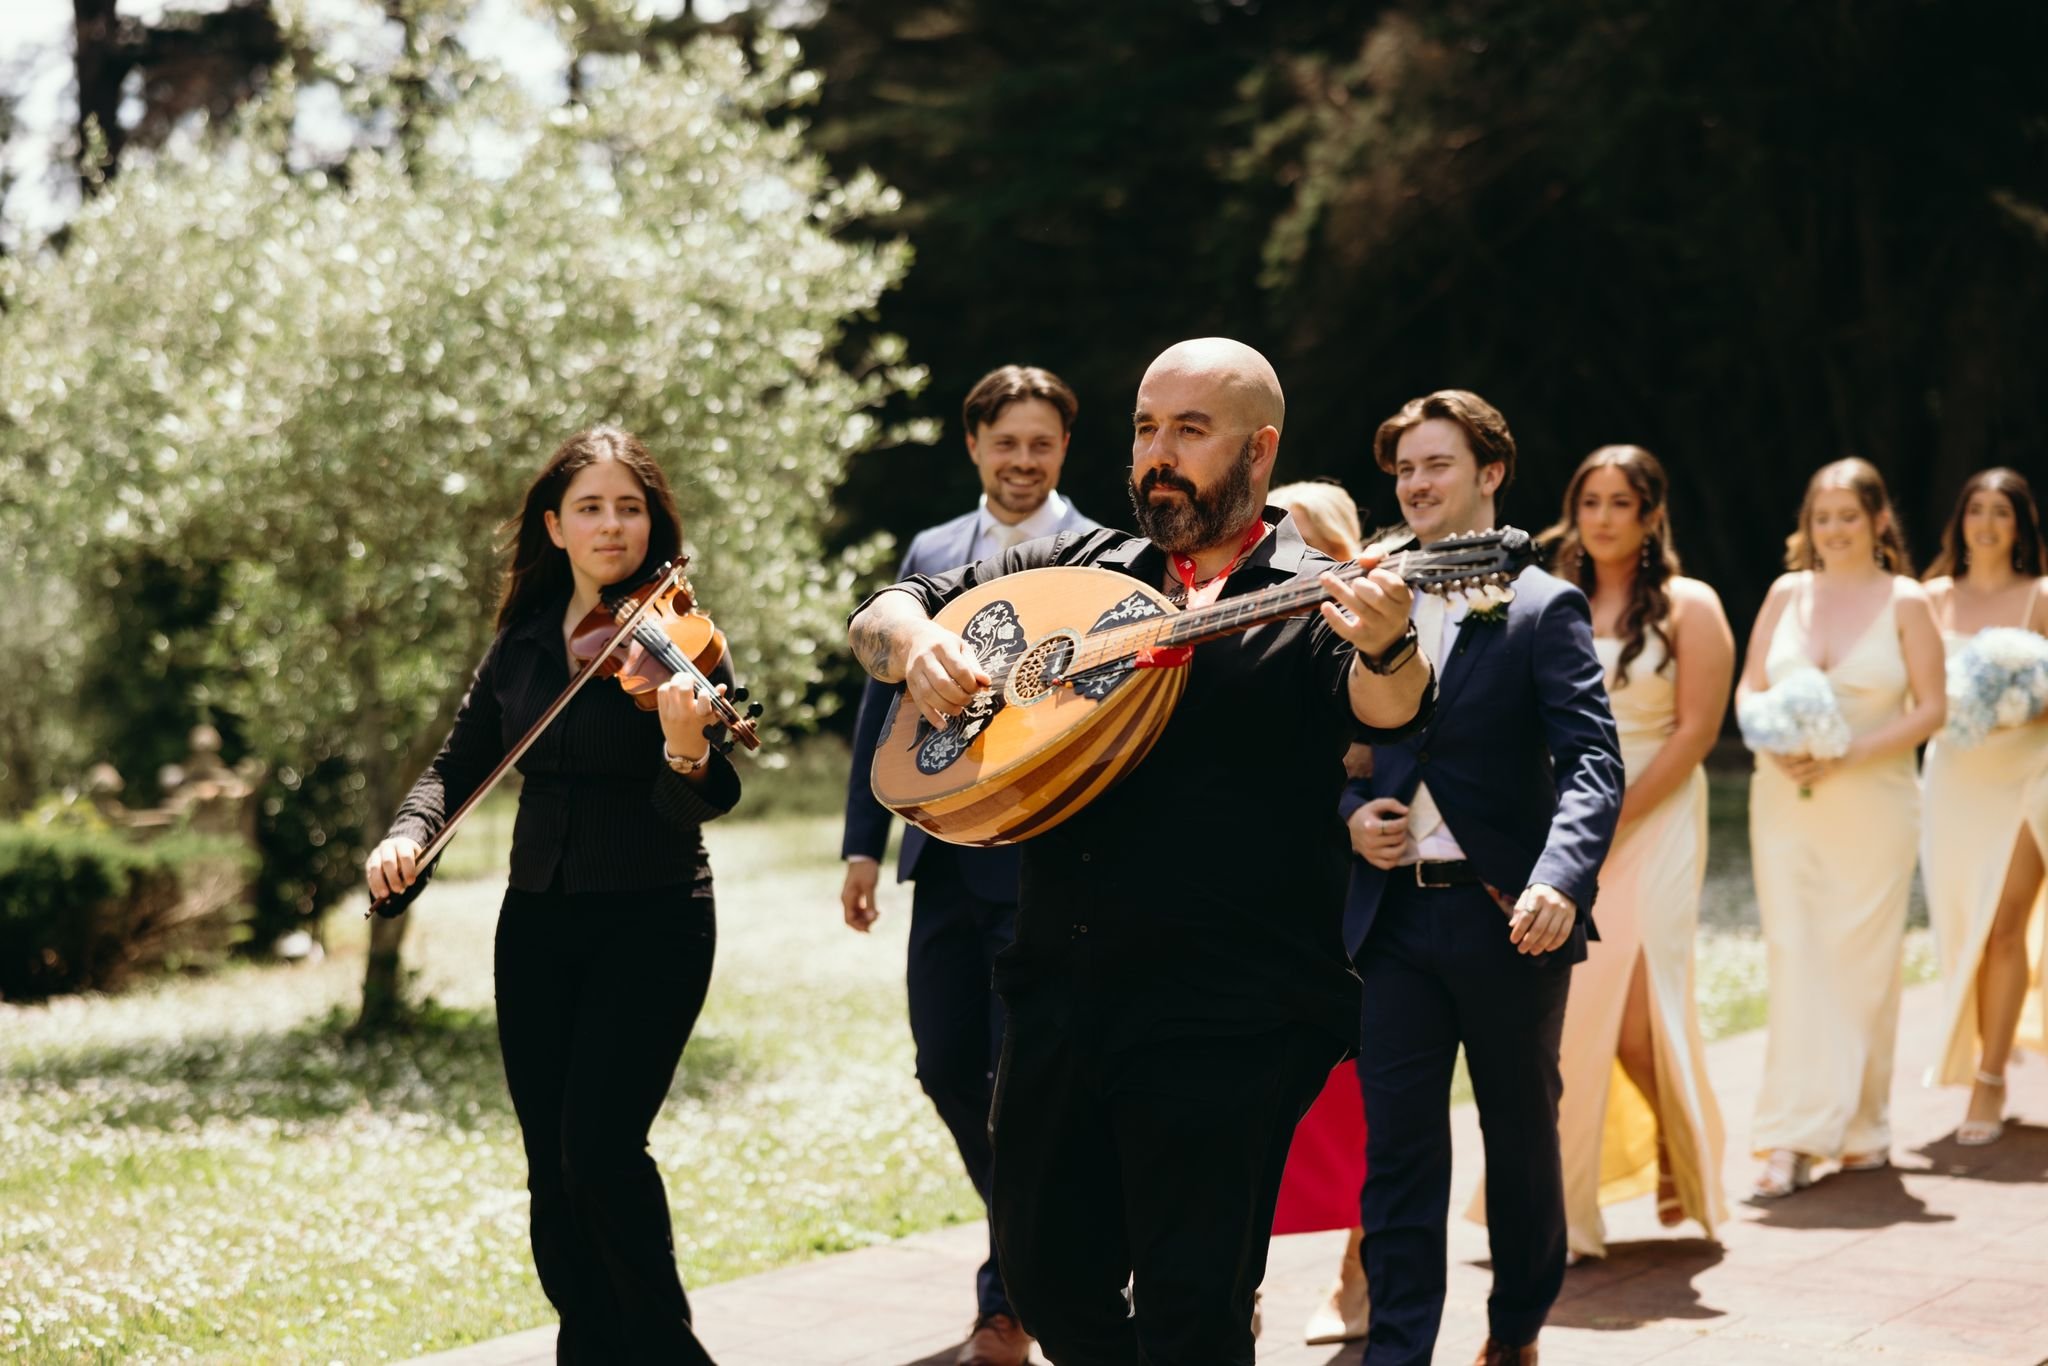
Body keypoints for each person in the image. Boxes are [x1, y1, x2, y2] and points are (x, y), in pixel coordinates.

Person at [846, 338, 1433, 1365]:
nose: (1156, 454)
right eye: (1145, 429)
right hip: (1060, 991)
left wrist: (1388, 640)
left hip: (1230, 1008)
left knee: (1192, 1303)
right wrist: (911, 636)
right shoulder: (1079, 572)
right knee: (1042, 1276)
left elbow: (1386, 702)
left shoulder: (1310, 593)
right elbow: (886, 608)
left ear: (1258, 450)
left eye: (1188, 432)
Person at [364, 427, 739, 1365]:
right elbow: (457, 766)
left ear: (653, 523)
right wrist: (411, 831)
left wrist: (686, 747)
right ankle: (588, 1344)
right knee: (549, 1166)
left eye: (630, 506)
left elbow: (712, 794)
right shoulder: (523, 647)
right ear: (555, 526)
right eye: (591, 508)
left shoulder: (680, 638)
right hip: (538, 921)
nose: (613, 525)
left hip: (654, 916)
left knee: (602, 1152)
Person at [1342, 389, 1623, 1366]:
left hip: (1509, 917)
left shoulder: (1543, 606)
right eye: (1403, 469)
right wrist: (1351, 818)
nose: (1415, 484)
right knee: (1398, 1154)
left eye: (1436, 465)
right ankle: (1397, 1348)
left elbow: (1591, 760)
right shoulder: (1367, 595)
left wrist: (1559, 879)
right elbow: (1328, 748)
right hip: (1393, 926)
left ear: (1489, 473)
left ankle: (1513, 1331)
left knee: (1518, 1141)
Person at [840, 363, 1096, 1366]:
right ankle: (1058, 1244)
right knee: (946, 1064)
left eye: (1041, 444)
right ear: (974, 445)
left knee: (1022, 1081)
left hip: (1047, 861)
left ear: (1063, 450)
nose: (1023, 460)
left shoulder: (1098, 552)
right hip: (941, 857)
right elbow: (882, 705)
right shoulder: (931, 553)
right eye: (1006, 442)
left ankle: (1008, 1301)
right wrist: (863, 841)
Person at [1516, 445, 1734, 1260]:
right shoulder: (1549, 599)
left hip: (1661, 814)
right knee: (1575, 1013)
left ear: (1650, 514)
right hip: (1566, 821)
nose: (1602, 517)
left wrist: (1607, 823)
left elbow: (1698, 732)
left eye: (1620, 502)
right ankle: (1567, 1209)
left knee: (1642, 1017)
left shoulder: (1691, 606)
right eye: (1591, 501)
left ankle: (1684, 1159)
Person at [1739, 457, 1944, 1199]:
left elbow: (1931, 708)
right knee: (1796, 955)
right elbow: (1750, 681)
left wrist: (1848, 750)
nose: (1833, 530)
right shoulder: (1787, 591)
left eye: (1848, 517)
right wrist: (1770, 736)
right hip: (1785, 800)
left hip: (1876, 801)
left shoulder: (1908, 601)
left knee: (1862, 962)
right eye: (1821, 517)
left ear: (1879, 521)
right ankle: (1792, 1137)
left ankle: (1860, 1128)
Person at [1267, 478, 1373, 1347]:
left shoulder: (1368, 640)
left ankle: (1358, 1266)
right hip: (1259, 887)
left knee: (1353, 1094)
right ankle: (1241, 1275)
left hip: (1356, 880)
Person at [1920, 468, 2048, 1146]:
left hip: (2028, 775)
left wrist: (2021, 701)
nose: (1988, 524)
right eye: (1977, 510)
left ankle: (1990, 1079)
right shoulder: (1929, 598)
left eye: (2002, 512)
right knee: (1962, 925)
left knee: (2005, 923)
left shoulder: (2041, 597)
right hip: (1952, 781)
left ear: (2021, 525)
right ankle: (1986, 1041)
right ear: (1961, 521)